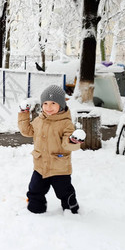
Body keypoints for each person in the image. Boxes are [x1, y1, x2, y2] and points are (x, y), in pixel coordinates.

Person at [18, 85, 84, 214]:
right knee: (35, 189)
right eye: (46, 103)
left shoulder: (66, 123)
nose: (48, 107)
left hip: (59, 167)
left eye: (53, 103)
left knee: (64, 191)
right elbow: (27, 131)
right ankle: (35, 209)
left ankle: (71, 209)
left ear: (61, 105)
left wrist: (72, 140)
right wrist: (23, 114)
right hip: (40, 165)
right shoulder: (39, 120)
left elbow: (67, 144)